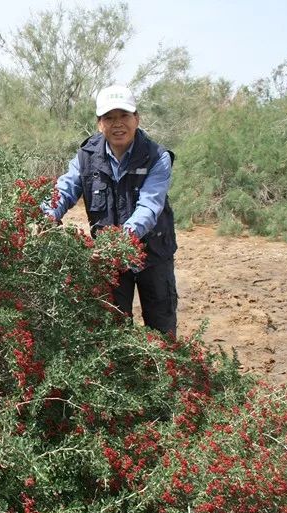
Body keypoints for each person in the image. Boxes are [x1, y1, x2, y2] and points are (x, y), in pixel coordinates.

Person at [42, 84, 178, 336]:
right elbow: (64, 189)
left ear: (137, 119)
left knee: (162, 332)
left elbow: (150, 206)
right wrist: (43, 216)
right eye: (109, 117)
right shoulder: (86, 157)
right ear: (99, 123)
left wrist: (119, 241)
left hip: (154, 255)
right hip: (109, 261)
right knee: (111, 331)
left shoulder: (157, 157)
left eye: (124, 116)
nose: (118, 124)